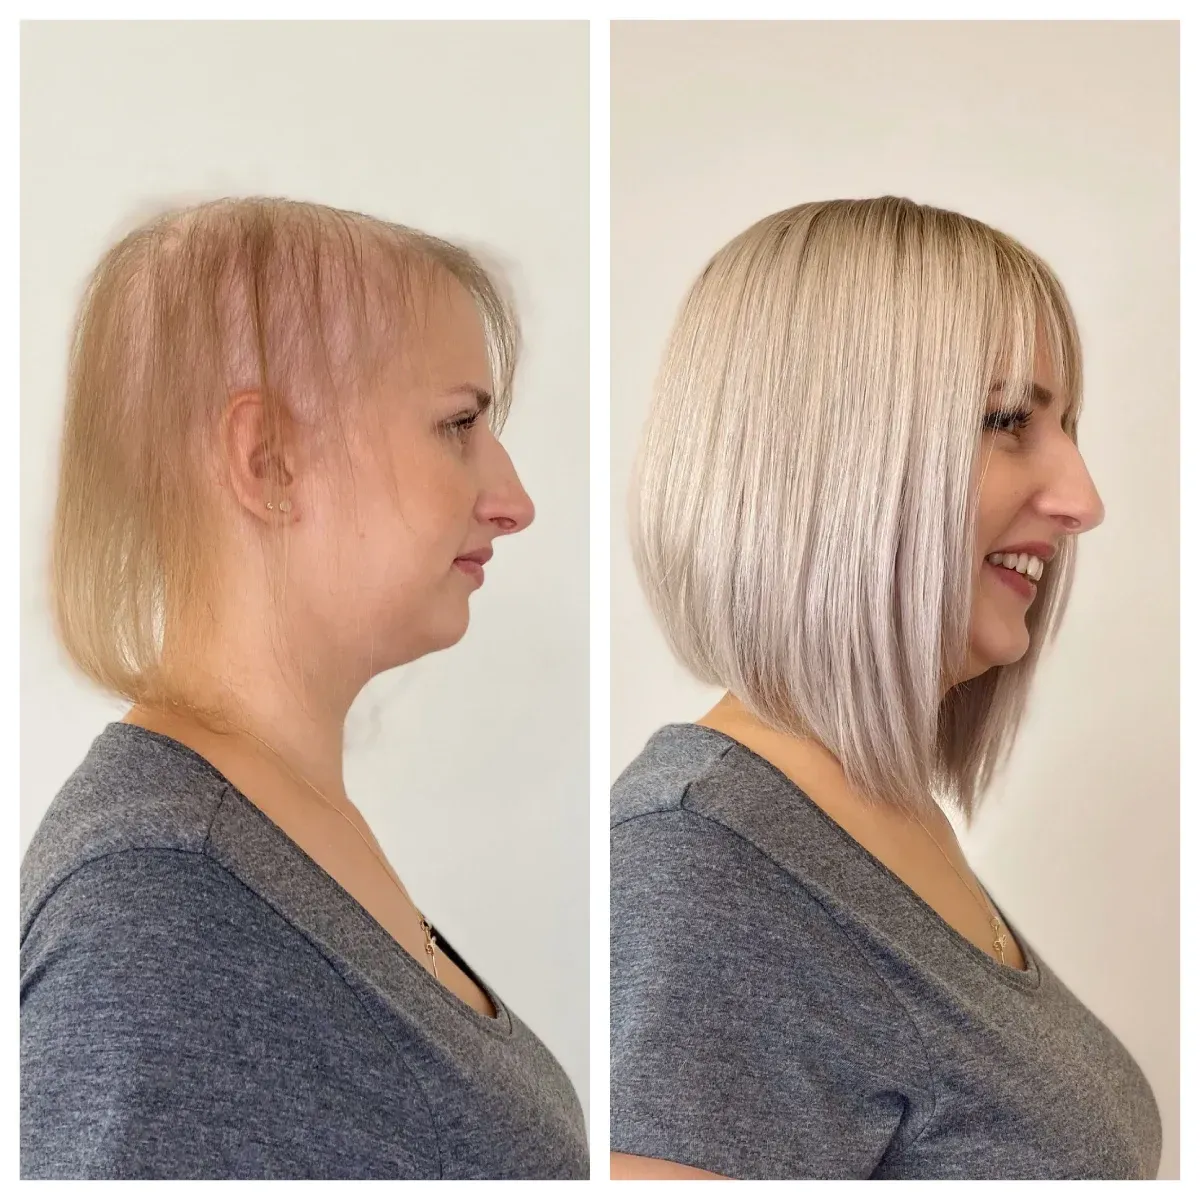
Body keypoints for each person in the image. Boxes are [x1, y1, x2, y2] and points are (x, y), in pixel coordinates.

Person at [21, 197, 588, 1180]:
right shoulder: (160, 900)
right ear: (267, 460)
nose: (514, 500)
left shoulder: (259, 831)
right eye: (457, 423)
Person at [610, 196, 1161, 1180]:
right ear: (830, 459)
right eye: (1008, 422)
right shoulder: (704, 868)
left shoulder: (866, 816)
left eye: (1065, 425)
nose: (1082, 499)